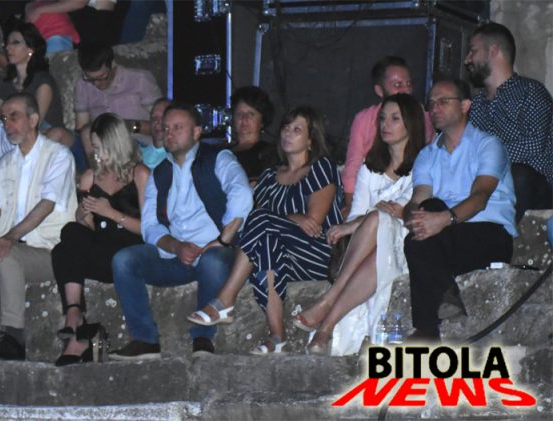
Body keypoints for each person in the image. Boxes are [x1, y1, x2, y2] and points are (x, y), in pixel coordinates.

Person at [186, 106, 343, 354]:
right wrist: (291, 217)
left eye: (297, 130)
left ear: (311, 140)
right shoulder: (270, 176)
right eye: (286, 128)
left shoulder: (320, 167)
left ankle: (225, 299)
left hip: (315, 253)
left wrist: (289, 218)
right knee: (266, 243)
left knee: (262, 220)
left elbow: (313, 222)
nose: (288, 133)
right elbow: (253, 220)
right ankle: (277, 337)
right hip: (282, 256)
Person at [110, 103, 252, 360]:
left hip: (215, 253)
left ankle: (202, 338)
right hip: (176, 256)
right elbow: (150, 226)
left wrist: (223, 239)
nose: (170, 133)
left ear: (196, 132)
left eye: (178, 127)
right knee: (123, 260)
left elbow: (241, 193)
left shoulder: (218, 158)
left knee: (212, 261)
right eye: (166, 128)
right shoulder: (160, 173)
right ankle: (145, 340)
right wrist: (175, 246)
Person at [293, 94, 426, 355]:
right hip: (372, 245)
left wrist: (357, 223)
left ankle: (329, 300)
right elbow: (358, 213)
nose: (385, 124)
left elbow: (401, 208)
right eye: (382, 118)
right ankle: (325, 329)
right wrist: (360, 221)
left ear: (410, 124)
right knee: (376, 233)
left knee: (378, 219)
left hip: (406, 241)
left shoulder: (423, 163)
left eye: (395, 119)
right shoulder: (370, 166)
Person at [0, 93, 76, 361]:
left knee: (8, 254)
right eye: (4, 118)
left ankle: (13, 338)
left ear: (33, 119)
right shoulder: (6, 162)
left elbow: (47, 204)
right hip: (11, 247)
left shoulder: (58, 155)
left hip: (47, 250)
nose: (7, 124)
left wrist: (10, 237)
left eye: (14, 117)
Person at [403, 79, 516, 341]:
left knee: (423, 234)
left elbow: (480, 197)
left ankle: (427, 327)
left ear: (465, 105)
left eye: (443, 101)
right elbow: (418, 199)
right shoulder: (427, 155)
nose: (435, 108)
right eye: (431, 103)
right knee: (421, 226)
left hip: (488, 234)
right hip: (444, 238)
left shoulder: (488, 145)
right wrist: (412, 217)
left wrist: (443, 219)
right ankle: (441, 305)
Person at [51, 113, 149, 366]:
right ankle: (74, 313)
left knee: (64, 248)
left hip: (129, 253)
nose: (97, 154)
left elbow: (150, 230)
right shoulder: (90, 177)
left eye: (100, 147)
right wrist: (83, 215)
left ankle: (78, 332)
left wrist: (112, 213)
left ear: (116, 144)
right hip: (102, 249)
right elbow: (90, 228)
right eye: (94, 147)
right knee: (69, 235)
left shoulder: (139, 174)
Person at [465, 22, 553, 221]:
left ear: (493, 50)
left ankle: (500, 234)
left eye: (473, 51)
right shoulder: (476, 103)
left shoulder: (530, 92)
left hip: (536, 187)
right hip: (489, 184)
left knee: (518, 174)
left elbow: (533, 145)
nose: (467, 59)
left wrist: (487, 156)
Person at [341, 56, 433, 215]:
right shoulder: (364, 119)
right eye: (398, 85)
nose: (406, 90)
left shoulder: (423, 116)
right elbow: (353, 165)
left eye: (409, 84)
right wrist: (351, 207)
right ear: (379, 90)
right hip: (372, 187)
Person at [74, 45, 162, 167]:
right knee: (84, 133)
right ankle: (98, 173)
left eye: (101, 77)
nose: (96, 84)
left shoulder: (139, 79)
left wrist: (127, 126)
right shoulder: (82, 85)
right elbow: (81, 127)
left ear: (112, 65)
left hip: (138, 142)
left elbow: (161, 125)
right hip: (103, 144)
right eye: (90, 78)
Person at [0, 20, 70, 147]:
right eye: (7, 43)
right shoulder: (6, 85)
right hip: (17, 136)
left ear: (30, 50)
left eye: (15, 42)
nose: (8, 47)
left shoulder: (43, 81)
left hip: (50, 137)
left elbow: (35, 123)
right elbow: (1, 121)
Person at [227, 86, 277, 183]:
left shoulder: (269, 153)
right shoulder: (223, 150)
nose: (244, 119)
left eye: (251, 114)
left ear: (262, 121)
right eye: (239, 114)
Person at [139, 97, 169, 169]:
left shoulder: (178, 156)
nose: (157, 121)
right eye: (154, 118)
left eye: (162, 117)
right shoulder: (138, 154)